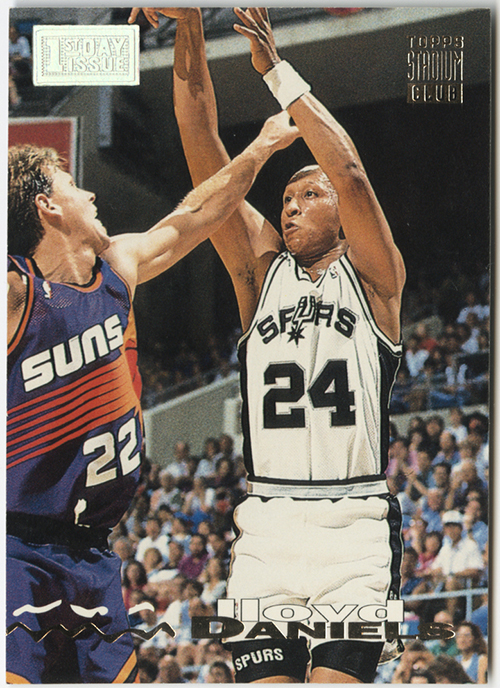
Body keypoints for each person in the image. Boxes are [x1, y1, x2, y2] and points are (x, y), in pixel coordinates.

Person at [130, 6, 406, 683]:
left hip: (354, 524)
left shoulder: (376, 279)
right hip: (267, 525)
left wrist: (276, 71)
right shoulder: (261, 271)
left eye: (308, 194)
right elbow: (200, 142)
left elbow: (350, 170)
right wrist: (189, 23)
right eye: (285, 198)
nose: (290, 205)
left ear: (341, 214)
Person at [7, 107, 297, 681]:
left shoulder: (118, 267)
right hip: (16, 546)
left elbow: (199, 213)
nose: (91, 194)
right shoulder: (15, 291)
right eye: (73, 185)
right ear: (47, 206)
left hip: (93, 553)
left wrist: (262, 145)